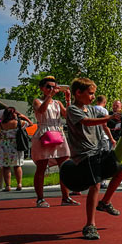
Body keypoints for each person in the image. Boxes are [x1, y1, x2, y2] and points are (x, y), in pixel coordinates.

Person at [66, 77, 122, 240]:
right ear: (78, 93)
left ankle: (105, 202)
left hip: (98, 150)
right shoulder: (73, 110)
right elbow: (86, 122)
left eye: (94, 94)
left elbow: (101, 125)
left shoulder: (92, 109)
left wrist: (114, 127)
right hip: (85, 154)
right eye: (90, 93)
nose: (93, 97)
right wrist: (109, 117)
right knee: (95, 184)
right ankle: (90, 225)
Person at [32, 76, 77, 207]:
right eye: (48, 87)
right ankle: (40, 199)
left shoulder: (57, 103)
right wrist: (49, 96)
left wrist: (68, 100)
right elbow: (41, 110)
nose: (51, 89)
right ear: (42, 88)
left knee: (65, 166)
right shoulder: (37, 101)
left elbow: (68, 115)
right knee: (41, 167)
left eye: (53, 87)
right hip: (43, 133)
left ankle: (66, 197)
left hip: (58, 133)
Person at [0, 108, 29, 191]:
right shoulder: (19, 123)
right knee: (17, 165)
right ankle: (19, 184)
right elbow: (30, 123)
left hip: (3, 147)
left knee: (6, 167)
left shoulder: (0, 125)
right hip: (16, 146)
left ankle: (8, 186)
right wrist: (23, 117)